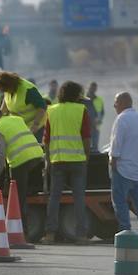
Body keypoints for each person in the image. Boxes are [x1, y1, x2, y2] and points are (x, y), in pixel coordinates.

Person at [43, 80, 91, 244]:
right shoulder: (81, 110)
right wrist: (86, 157)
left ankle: (50, 234)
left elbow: (46, 140)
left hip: (58, 161)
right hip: (77, 160)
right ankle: (82, 235)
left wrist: (48, 161)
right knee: (79, 198)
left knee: (54, 198)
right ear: (77, 95)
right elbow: (86, 138)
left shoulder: (52, 110)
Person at [108, 92, 138, 242]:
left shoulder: (121, 119)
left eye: (116, 102)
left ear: (122, 103)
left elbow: (116, 143)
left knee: (120, 201)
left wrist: (112, 161)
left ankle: (125, 231)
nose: (114, 106)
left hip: (123, 169)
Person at [0, 102, 46, 197]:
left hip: (20, 161)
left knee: (18, 196)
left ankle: (20, 211)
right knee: (33, 192)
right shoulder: (17, 119)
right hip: (37, 155)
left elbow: (0, 153)